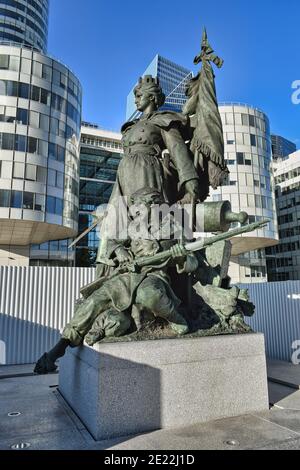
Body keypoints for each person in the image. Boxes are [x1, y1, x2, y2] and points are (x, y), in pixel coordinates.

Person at [34, 188, 198, 375]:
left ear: (154, 205)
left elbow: (193, 262)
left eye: (139, 206)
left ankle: (177, 319)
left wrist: (182, 258)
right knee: (94, 301)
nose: (135, 211)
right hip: (126, 276)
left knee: (149, 295)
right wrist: (119, 250)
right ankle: (61, 346)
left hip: (154, 276)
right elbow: (111, 242)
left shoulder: (175, 227)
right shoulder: (134, 227)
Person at [96, 74, 201, 268]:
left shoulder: (163, 120)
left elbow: (178, 148)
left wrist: (189, 179)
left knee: (146, 211)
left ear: (151, 98)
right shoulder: (132, 126)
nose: (136, 100)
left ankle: (149, 256)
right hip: (125, 173)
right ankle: (110, 259)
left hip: (147, 171)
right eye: (135, 96)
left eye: (139, 95)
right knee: (115, 215)